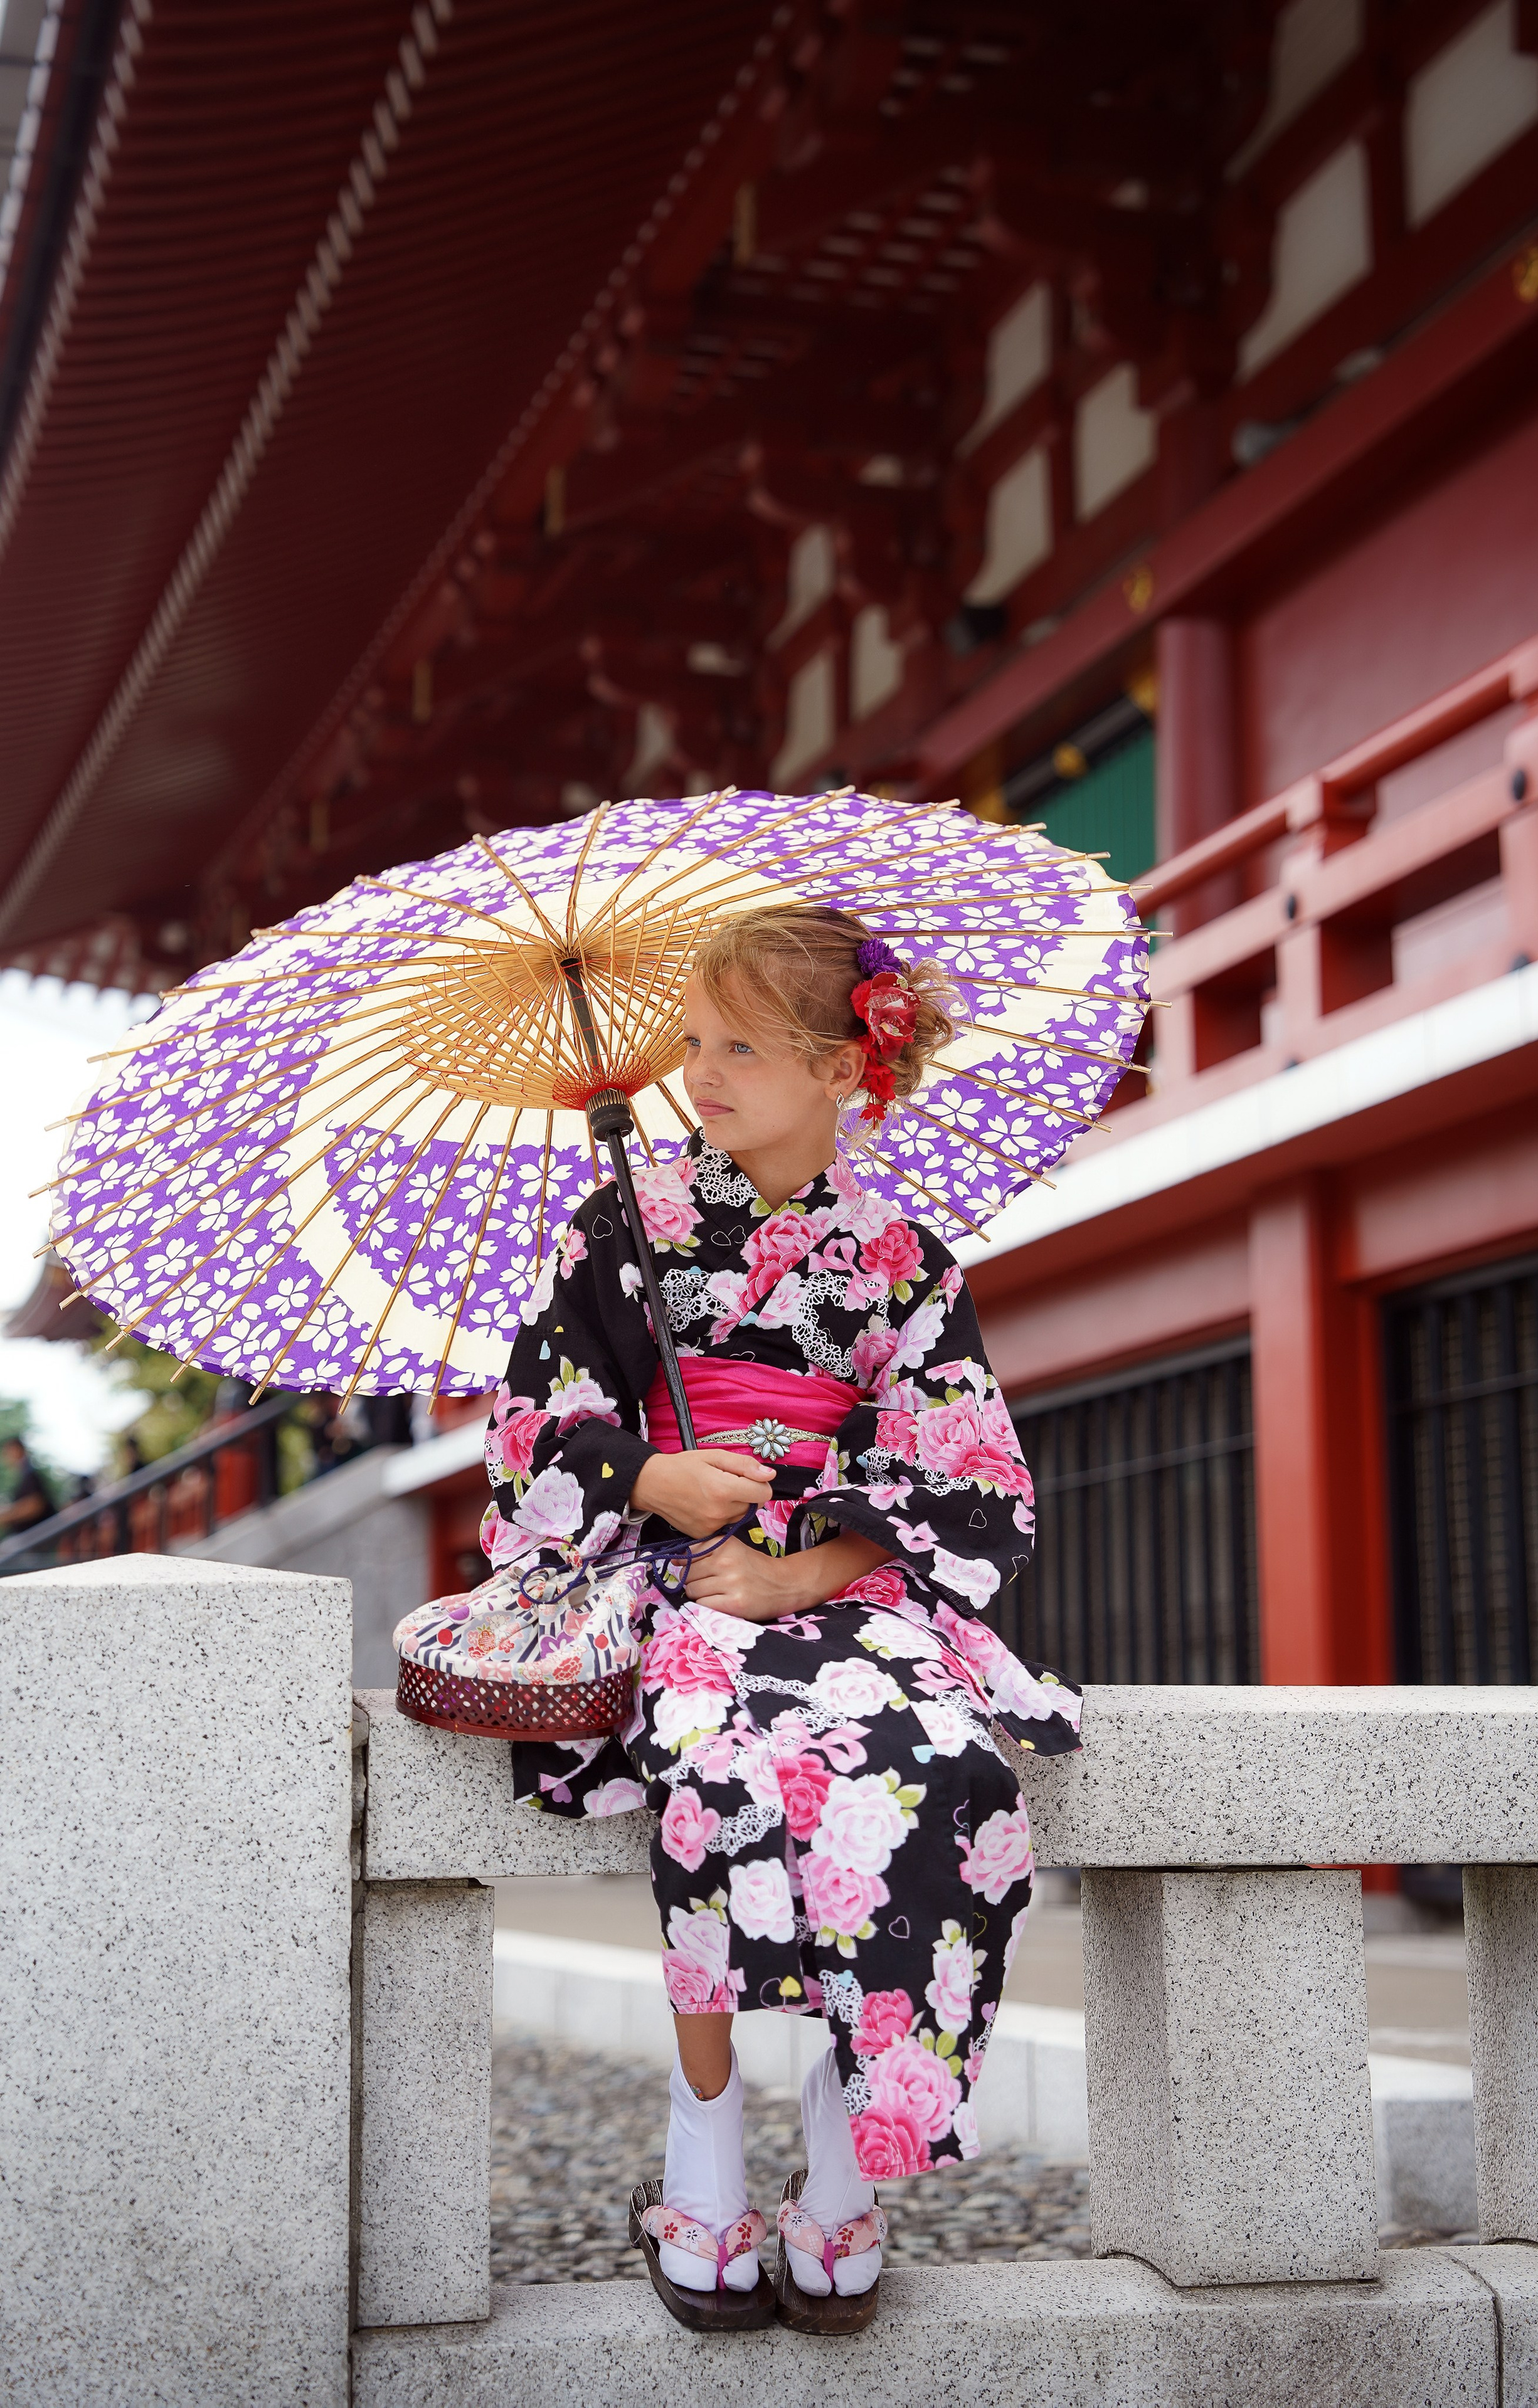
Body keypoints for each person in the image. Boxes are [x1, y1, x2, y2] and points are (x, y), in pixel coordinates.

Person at [480, 906, 1082, 2331]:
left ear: (839, 1071)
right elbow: (526, 1433)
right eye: (694, 1042)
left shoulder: (902, 1261)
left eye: (741, 1047)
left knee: (951, 1780)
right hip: (677, 1583)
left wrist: (805, 1569)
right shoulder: (625, 1229)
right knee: (713, 1776)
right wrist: (651, 1471)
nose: (702, 1072)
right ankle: (701, 2155)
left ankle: (838, 2163)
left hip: (841, 1591)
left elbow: (973, 1471)